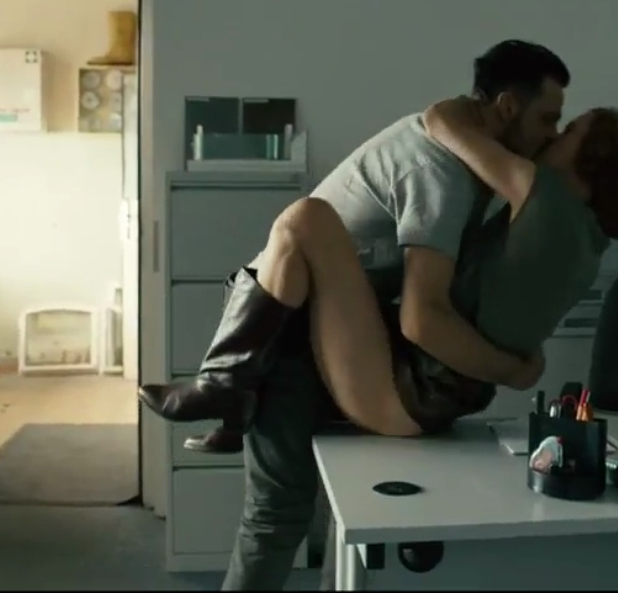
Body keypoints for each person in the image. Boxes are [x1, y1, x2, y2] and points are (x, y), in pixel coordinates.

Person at [139, 40, 569, 452]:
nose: (553, 135)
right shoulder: (443, 173)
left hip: (304, 314)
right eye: (547, 120)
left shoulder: (458, 145)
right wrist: (513, 370)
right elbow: (423, 319)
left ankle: (228, 388)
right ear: (507, 107)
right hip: (283, 316)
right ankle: (224, 385)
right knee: (306, 218)